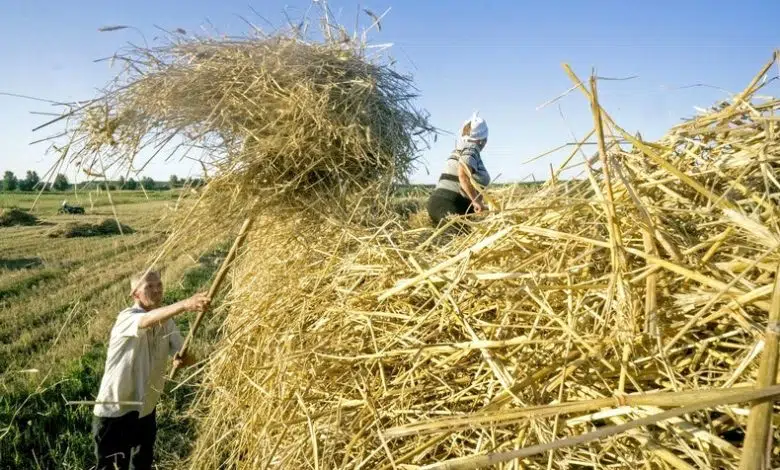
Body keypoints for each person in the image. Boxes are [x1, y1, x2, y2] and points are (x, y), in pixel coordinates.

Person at [92, 270, 210, 470]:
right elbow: (146, 321)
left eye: (159, 285)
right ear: (135, 294)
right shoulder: (126, 318)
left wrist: (182, 359)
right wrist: (184, 304)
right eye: (149, 287)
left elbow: (185, 356)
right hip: (116, 410)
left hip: (146, 409)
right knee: (112, 466)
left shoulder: (167, 323)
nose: (157, 290)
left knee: (141, 464)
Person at [427, 112, 491, 226]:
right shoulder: (471, 148)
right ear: (483, 139)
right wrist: (475, 201)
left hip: (442, 203)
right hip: (449, 204)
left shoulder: (460, 149)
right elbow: (463, 175)